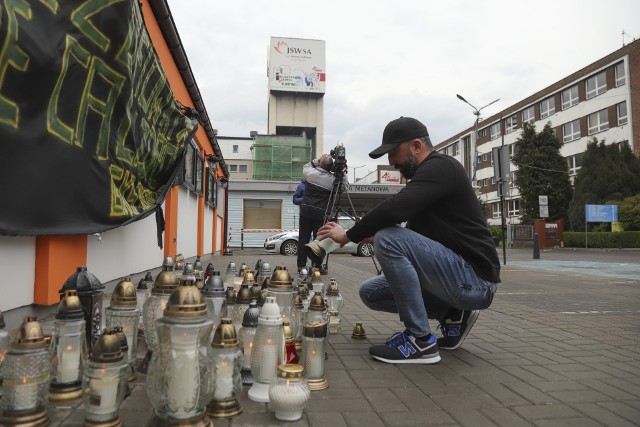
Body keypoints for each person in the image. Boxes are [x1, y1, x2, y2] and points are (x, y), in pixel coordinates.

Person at [317, 116, 500, 365]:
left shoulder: (441, 167)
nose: (391, 162)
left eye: (393, 153)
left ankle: (420, 341)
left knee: (389, 237)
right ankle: (453, 313)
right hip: (456, 277)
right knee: (371, 292)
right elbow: (415, 239)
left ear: (416, 146)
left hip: (475, 280)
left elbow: (395, 210)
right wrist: (362, 235)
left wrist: (348, 235)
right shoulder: (427, 181)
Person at [297, 154, 348, 273]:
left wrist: (319, 160)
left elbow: (307, 165)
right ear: (330, 167)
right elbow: (344, 187)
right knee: (319, 239)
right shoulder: (332, 180)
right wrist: (343, 173)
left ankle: (301, 266)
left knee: (303, 239)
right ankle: (316, 267)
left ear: (320, 164)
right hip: (321, 214)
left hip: (306, 211)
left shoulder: (310, 174)